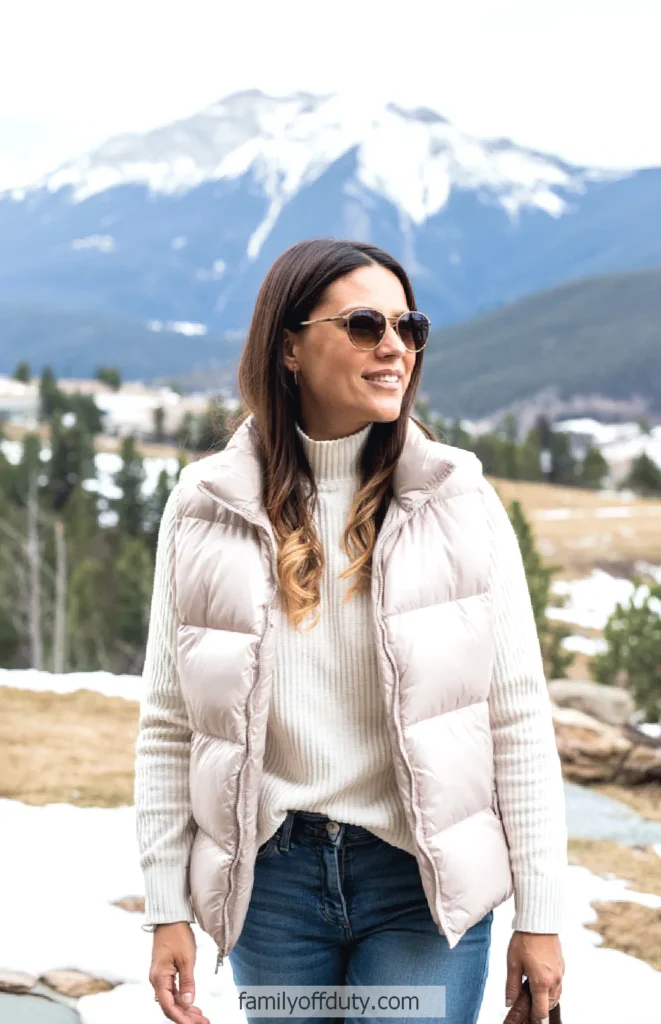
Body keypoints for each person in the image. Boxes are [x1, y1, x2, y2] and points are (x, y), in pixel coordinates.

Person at [135, 238, 567, 1024]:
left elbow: (515, 718)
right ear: (289, 345)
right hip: (272, 889)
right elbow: (170, 724)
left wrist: (539, 914)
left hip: (421, 882)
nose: (394, 346)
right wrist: (166, 902)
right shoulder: (204, 506)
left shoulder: (458, 503)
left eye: (410, 326)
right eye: (365, 324)